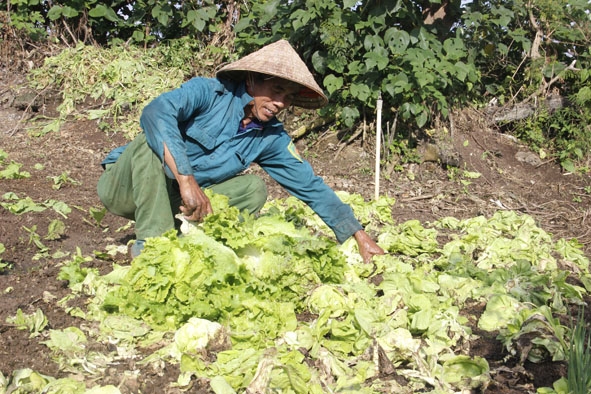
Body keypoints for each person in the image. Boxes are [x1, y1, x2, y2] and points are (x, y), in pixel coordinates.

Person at [97, 39, 384, 263]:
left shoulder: (271, 136)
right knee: (151, 144)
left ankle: (185, 239)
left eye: (287, 97)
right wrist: (186, 179)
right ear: (251, 80)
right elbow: (155, 112)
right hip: (127, 188)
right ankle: (151, 249)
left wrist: (357, 234)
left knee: (253, 188)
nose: (281, 102)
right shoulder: (207, 92)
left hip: (177, 203)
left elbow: (309, 186)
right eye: (276, 90)